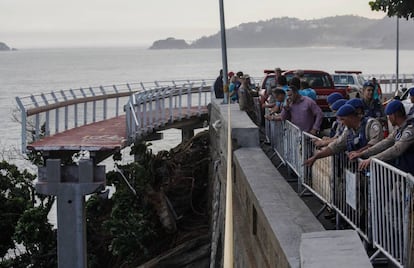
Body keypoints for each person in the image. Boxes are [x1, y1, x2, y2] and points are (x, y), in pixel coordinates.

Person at [304, 104, 384, 167]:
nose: (341, 123)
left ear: (351, 117)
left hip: (375, 167)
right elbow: (336, 146)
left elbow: (375, 144)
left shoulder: (371, 124)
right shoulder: (348, 130)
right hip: (360, 168)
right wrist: (315, 157)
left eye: (343, 119)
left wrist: (358, 152)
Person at [349, 100, 414, 174]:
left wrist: (373, 159)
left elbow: (397, 149)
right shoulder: (399, 128)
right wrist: (362, 153)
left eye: (389, 116)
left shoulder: (410, 129)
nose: (388, 119)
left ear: (393, 115)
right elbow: (385, 142)